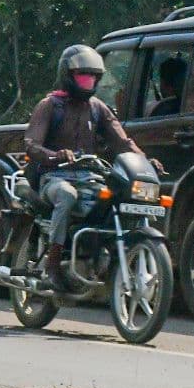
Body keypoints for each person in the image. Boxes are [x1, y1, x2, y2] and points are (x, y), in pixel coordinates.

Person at [23, 44, 162, 291]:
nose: (88, 82)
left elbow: (123, 142)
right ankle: (52, 265)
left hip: (89, 177)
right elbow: (32, 145)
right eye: (82, 77)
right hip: (54, 177)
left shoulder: (97, 108)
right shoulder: (50, 105)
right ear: (68, 76)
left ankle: (101, 256)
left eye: (93, 78)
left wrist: (144, 161)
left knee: (115, 198)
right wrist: (55, 155)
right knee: (67, 195)